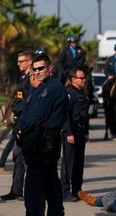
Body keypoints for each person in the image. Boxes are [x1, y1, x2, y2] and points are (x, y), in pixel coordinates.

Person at [16, 53, 67, 216]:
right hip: (37, 145)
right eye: (35, 69)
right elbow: (27, 111)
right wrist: (19, 127)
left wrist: (22, 128)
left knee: (33, 191)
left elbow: (36, 115)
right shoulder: (41, 88)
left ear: (49, 68)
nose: (37, 72)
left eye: (41, 68)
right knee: (50, 185)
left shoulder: (52, 88)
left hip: (44, 145)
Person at [0, 51, 33, 203]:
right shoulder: (23, 77)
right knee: (18, 158)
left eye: (21, 61)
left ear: (30, 62)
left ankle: (31, 191)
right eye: (18, 61)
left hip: (26, 124)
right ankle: (16, 190)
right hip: (19, 122)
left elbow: (30, 103)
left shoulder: (32, 79)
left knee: (27, 159)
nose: (18, 63)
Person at [60, 68, 90, 202]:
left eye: (84, 78)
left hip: (80, 132)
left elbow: (85, 115)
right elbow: (65, 115)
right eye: (81, 78)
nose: (84, 80)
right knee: (68, 163)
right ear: (73, 80)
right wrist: (68, 132)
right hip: (71, 133)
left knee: (79, 163)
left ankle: (77, 190)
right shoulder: (69, 93)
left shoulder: (82, 93)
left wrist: (86, 132)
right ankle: (65, 191)